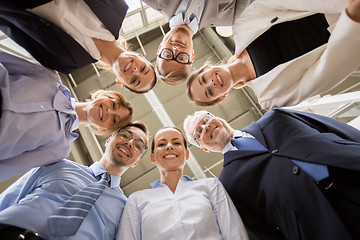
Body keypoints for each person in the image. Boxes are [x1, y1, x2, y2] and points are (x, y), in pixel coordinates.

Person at [183, 109, 360, 240]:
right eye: (198, 133)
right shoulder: (228, 185)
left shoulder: (275, 117)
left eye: (206, 119)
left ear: (215, 116)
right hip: (321, 226)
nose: (205, 127)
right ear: (204, 149)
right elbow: (260, 232)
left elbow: (331, 127)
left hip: (351, 173)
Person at [187, 0, 360, 109]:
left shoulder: (241, 25)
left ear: (207, 68)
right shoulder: (269, 98)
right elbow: (322, 75)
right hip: (352, 39)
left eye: (203, 79)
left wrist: (345, 4)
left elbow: (285, 2)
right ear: (222, 96)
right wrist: (351, 21)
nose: (211, 83)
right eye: (210, 92)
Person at [0, 121, 149, 239]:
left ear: (136, 162)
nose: (130, 143)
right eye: (125, 135)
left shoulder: (126, 209)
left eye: (138, 145)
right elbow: (9, 198)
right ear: (108, 140)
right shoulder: (58, 164)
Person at [0, 50, 134, 182]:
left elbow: (11, 166)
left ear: (104, 129)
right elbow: (5, 59)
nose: (109, 112)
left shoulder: (59, 149)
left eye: (114, 119)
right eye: (113, 105)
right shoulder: (49, 76)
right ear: (103, 95)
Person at [117, 126, 249, 240]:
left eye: (176, 143)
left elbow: (234, 232)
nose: (169, 147)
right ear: (152, 157)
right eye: (162, 144)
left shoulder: (210, 186)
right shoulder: (136, 200)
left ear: (186, 154)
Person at [0, 0, 156, 93]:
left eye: (134, 81)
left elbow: (20, 34)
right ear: (141, 56)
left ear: (120, 82)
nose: (136, 71)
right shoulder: (118, 8)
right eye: (143, 69)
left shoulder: (66, 63)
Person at [143, 0, 253, 85]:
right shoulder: (229, 17)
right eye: (181, 58)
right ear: (192, 55)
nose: (176, 50)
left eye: (167, 54)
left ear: (160, 48)